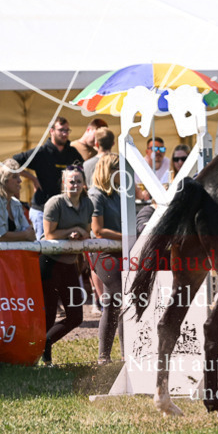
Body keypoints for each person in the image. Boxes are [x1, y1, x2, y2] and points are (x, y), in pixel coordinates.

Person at [40, 166, 93, 365]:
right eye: (71, 181)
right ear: (64, 183)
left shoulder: (87, 204)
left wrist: (80, 234)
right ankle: (45, 359)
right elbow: (49, 234)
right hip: (49, 263)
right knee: (49, 314)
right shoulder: (55, 203)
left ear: (84, 184)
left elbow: (87, 232)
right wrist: (72, 231)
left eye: (78, 181)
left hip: (70, 262)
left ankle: (43, 343)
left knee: (75, 316)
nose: (75, 185)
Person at [12, 117, 82, 239]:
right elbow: (11, 163)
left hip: (64, 212)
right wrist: (32, 178)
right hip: (42, 210)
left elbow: (83, 171)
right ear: (52, 131)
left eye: (67, 130)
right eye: (61, 130)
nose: (65, 134)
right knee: (43, 249)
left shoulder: (72, 153)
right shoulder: (41, 152)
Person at [88, 155, 124, 364]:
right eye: (119, 169)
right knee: (116, 298)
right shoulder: (95, 195)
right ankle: (104, 355)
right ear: (109, 171)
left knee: (118, 301)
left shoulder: (119, 194)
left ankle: (119, 354)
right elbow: (98, 230)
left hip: (120, 251)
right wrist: (128, 236)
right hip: (103, 253)